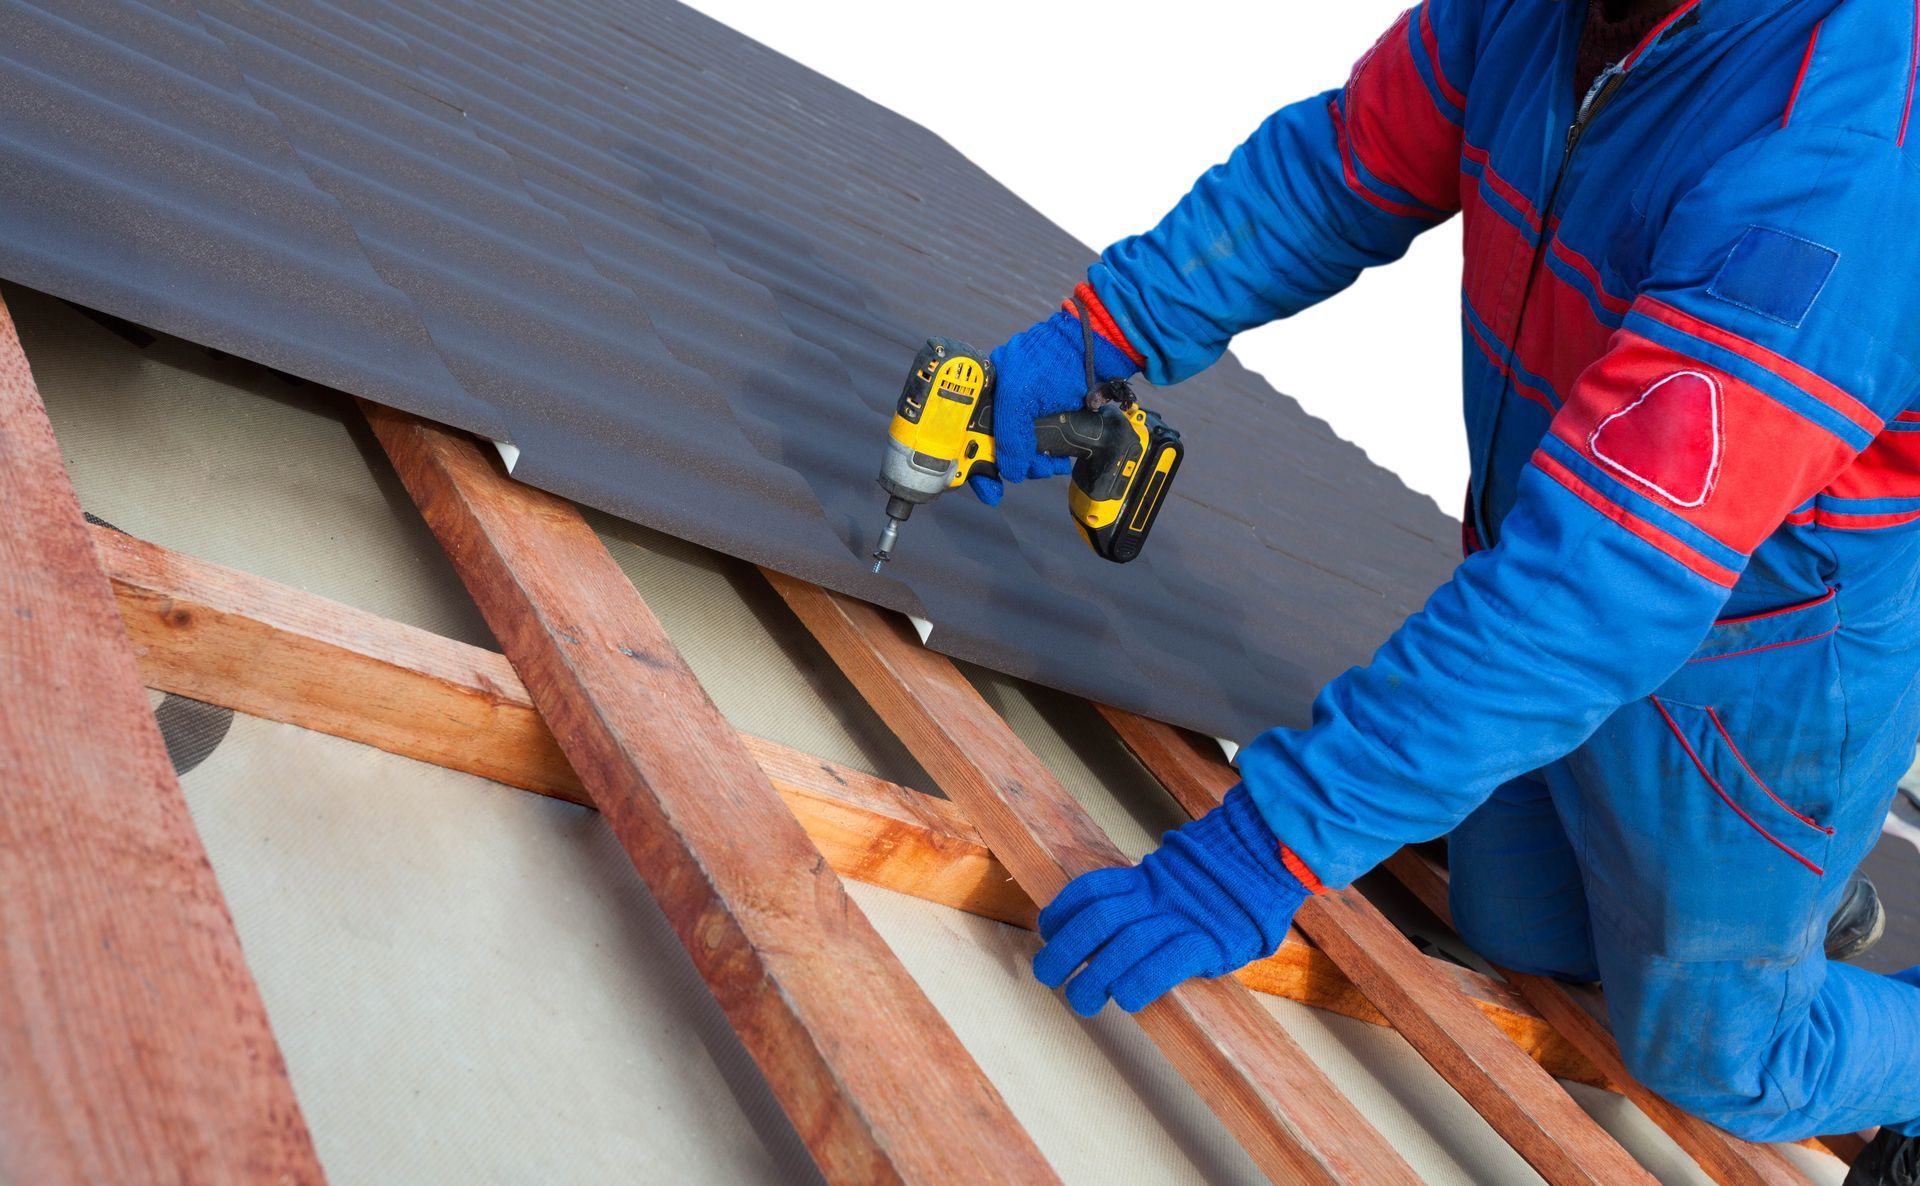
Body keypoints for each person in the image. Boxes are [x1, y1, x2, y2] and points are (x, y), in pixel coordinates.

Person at [972, 0, 1920, 1176]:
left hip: (1751, 679)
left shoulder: (1843, 143)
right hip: (1558, 569)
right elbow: (1339, 171)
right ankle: (1767, 911)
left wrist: (1267, 846)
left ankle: (1805, 960)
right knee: (1507, 921)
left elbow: (1603, 578)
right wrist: (1104, 331)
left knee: (1718, 1056)